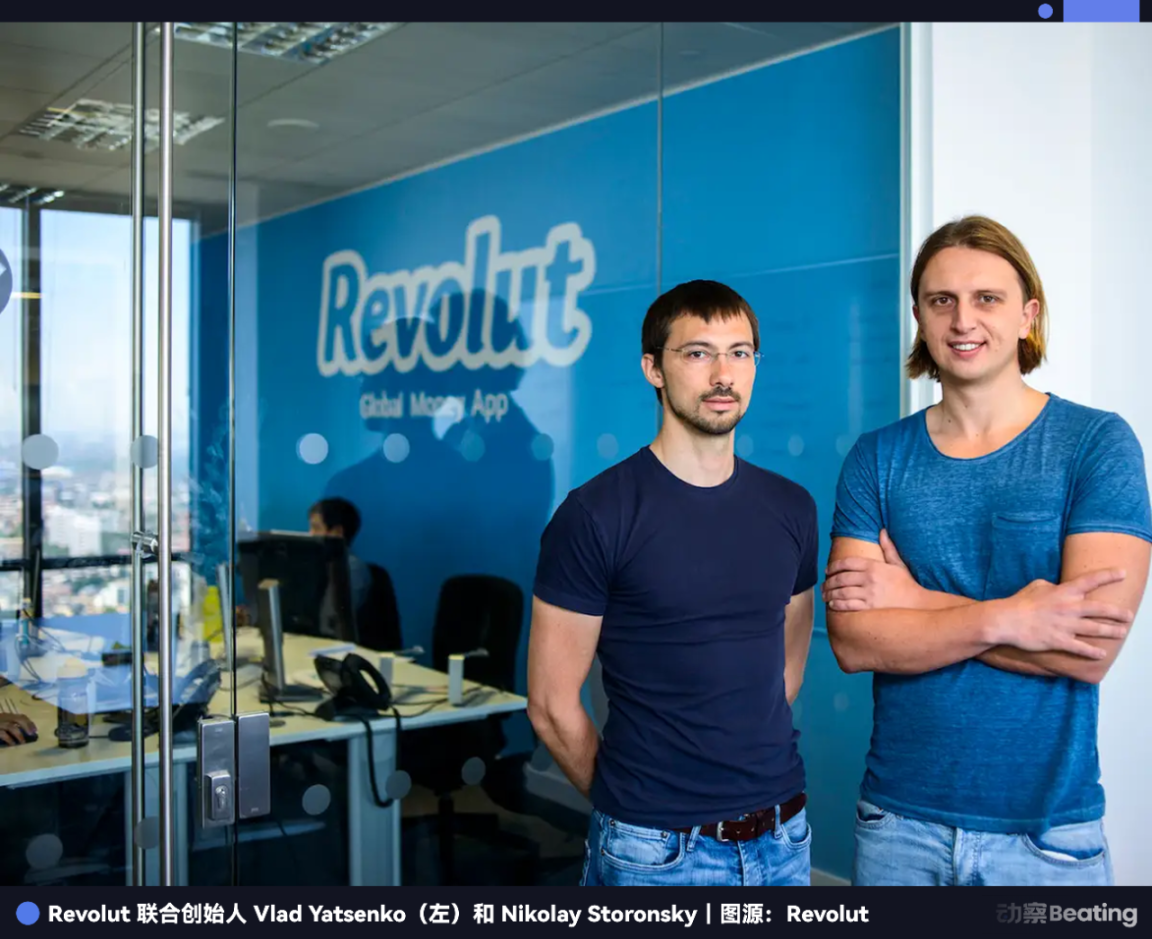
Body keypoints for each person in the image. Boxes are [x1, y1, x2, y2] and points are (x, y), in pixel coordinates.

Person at [824, 215, 1151, 886]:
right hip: (896, 827)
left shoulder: (1096, 444)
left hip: (1046, 838)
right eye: (941, 300)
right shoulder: (876, 458)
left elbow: (1086, 650)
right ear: (919, 317)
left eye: (987, 298)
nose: (962, 319)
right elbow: (855, 641)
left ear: (1028, 314)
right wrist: (1012, 618)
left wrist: (915, 602)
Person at [527, 280, 819, 887]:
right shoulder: (596, 515)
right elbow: (552, 706)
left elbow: (785, 671)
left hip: (782, 838)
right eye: (697, 353)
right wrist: (627, 809)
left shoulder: (792, 508)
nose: (723, 374)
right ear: (653, 368)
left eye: (740, 353)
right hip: (653, 851)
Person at [308, 497, 372, 614]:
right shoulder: (313, 563)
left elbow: (333, 615)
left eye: (316, 528)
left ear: (337, 532)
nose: (310, 534)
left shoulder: (352, 568)